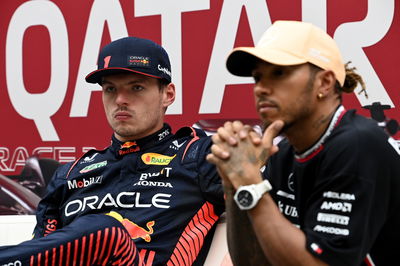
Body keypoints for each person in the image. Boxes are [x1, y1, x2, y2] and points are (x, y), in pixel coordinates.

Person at [0, 37, 225, 265]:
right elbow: (39, 252)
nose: (120, 100)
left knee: (107, 230)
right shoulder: (70, 174)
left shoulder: (198, 156)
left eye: (136, 87)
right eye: (110, 89)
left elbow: (258, 197)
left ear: (168, 94)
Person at [207, 20, 400, 266]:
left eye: (279, 73)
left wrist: (251, 183)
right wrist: (234, 183)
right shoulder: (284, 153)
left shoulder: (358, 145)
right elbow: (252, 261)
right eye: (257, 77)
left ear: (325, 83)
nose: (261, 89)